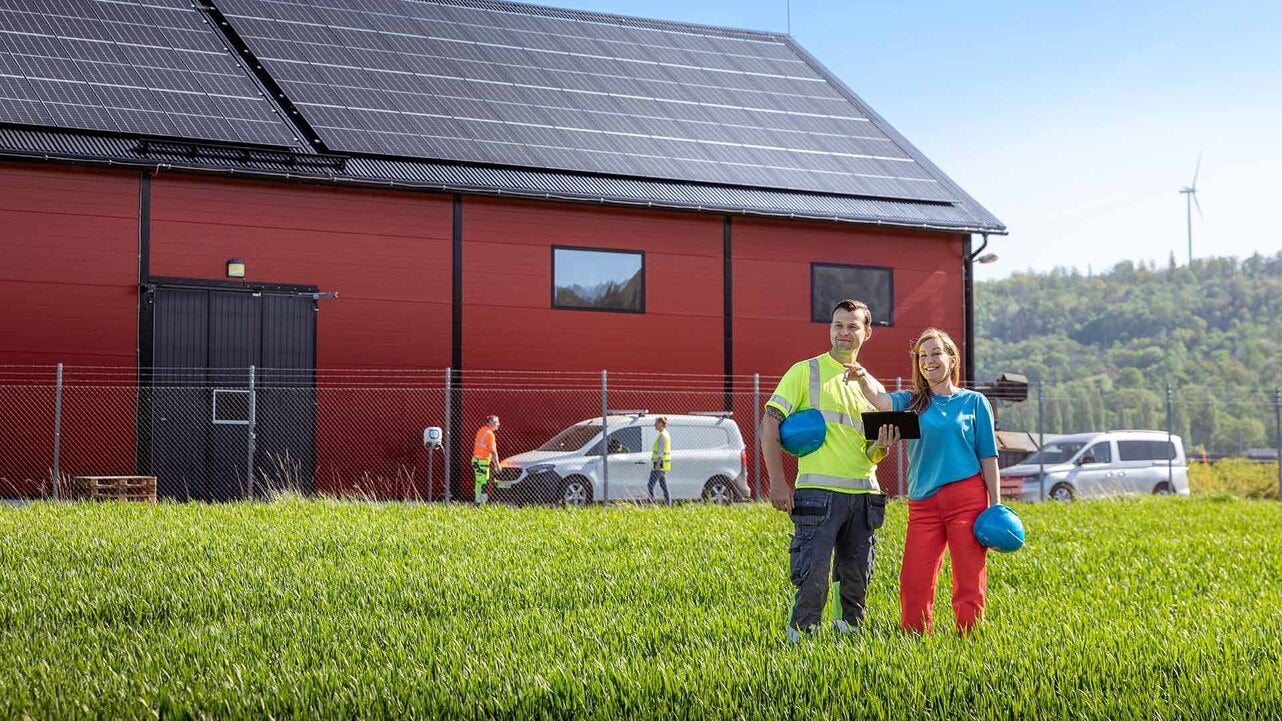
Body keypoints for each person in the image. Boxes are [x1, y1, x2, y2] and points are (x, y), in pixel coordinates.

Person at [846, 327, 1000, 635]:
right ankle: (914, 640)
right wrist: (863, 378)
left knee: (969, 577)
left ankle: (969, 637)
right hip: (923, 504)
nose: (929, 361)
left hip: (967, 498)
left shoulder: (974, 402)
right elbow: (880, 401)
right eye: (922, 356)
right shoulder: (912, 401)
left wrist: (995, 507)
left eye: (936, 353)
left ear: (952, 359)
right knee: (914, 579)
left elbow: (988, 456)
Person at [762, 299, 898, 642]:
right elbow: (770, 423)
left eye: (852, 327)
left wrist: (882, 444)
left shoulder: (874, 389)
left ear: (867, 333)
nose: (844, 333)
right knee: (813, 574)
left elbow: (872, 452)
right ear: (830, 329)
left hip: (865, 495)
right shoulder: (805, 372)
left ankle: (847, 640)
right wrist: (777, 482)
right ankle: (801, 642)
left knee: (857, 576)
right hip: (817, 494)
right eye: (838, 325)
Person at [472, 415, 500, 505]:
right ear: (489, 423)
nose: (498, 424)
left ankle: (478, 500)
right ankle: (482, 502)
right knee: (484, 482)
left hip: (476, 460)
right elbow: (493, 452)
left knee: (479, 481)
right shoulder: (490, 435)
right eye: (495, 422)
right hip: (482, 461)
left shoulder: (482, 430)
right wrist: (497, 465)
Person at [649, 416, 672, 506]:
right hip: (663, 464)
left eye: (656, 423)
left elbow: (660, 452)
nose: (654, 425)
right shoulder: (665, 434)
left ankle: (652, 502)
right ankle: (668, 504)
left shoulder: (662, 436)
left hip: (659, 463)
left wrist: (658, 465)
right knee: (664, 486)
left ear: (660, 424)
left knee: (650, 484)